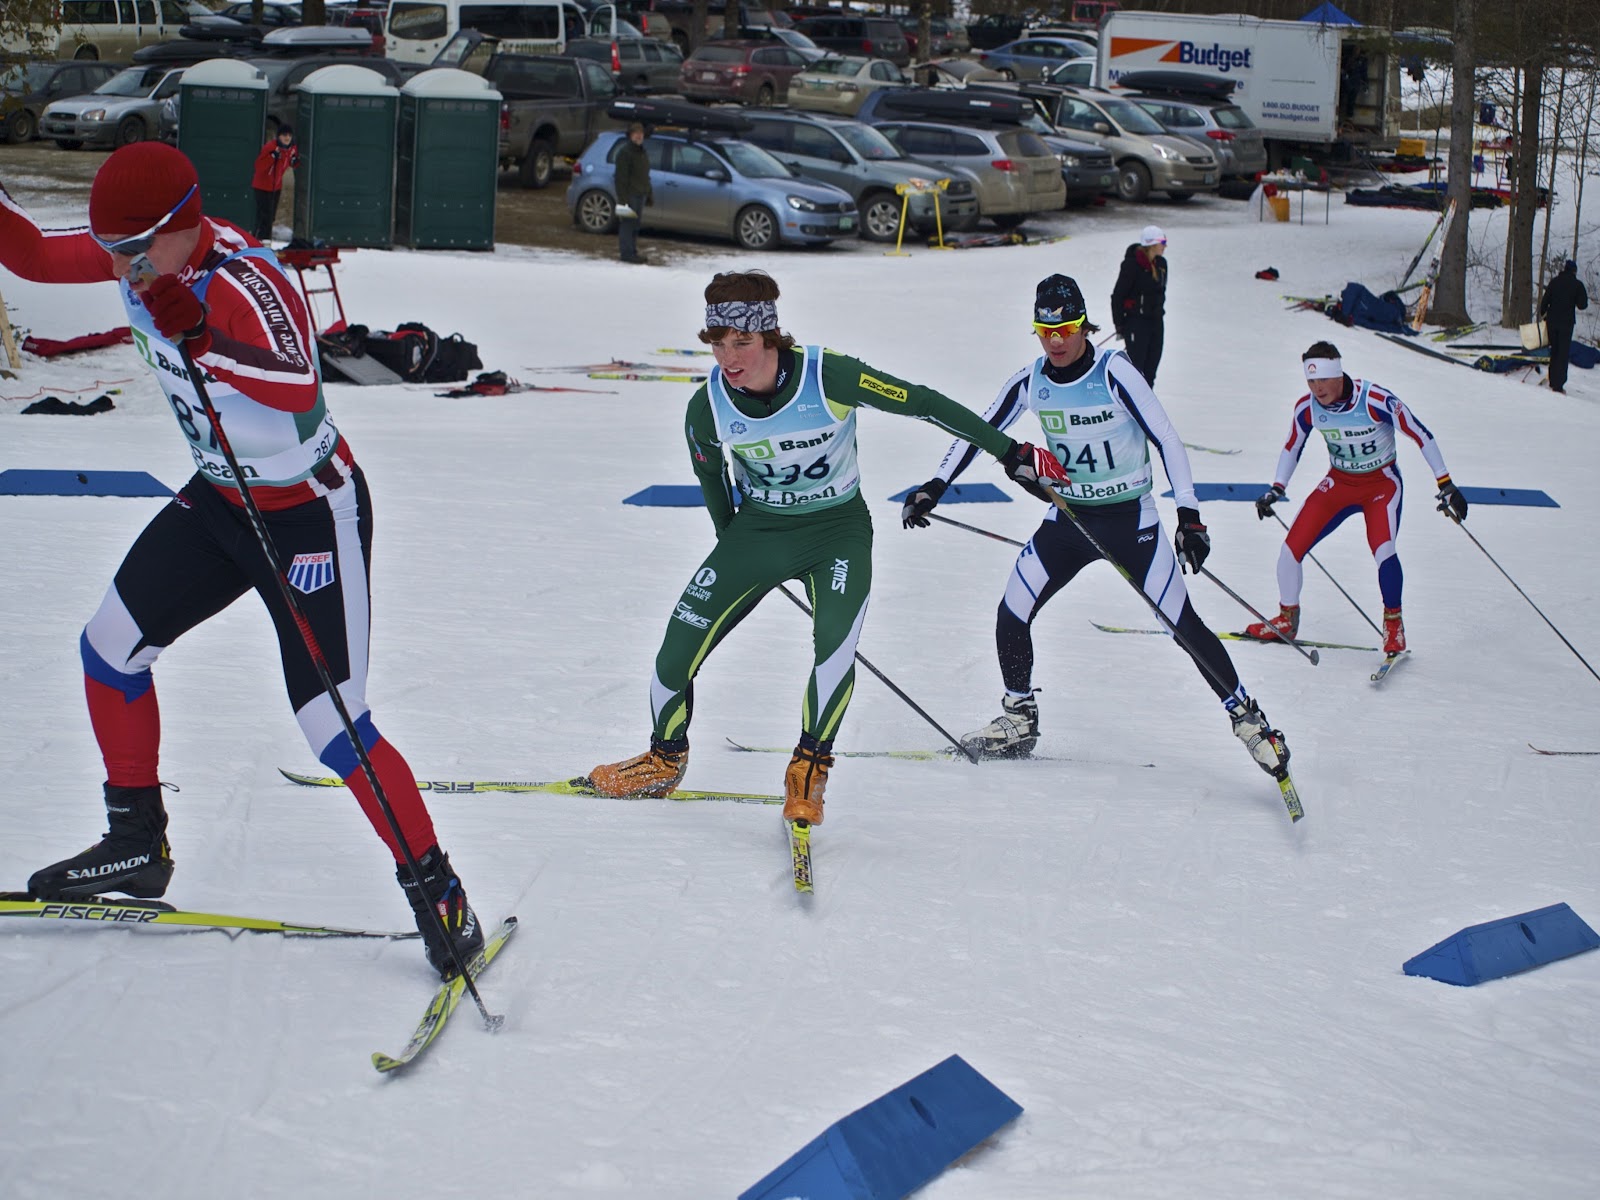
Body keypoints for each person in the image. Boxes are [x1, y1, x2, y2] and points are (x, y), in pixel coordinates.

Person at [0, 143, 482, 979]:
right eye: (110, 249)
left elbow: (298, 380)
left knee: (333, 722)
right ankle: (136, 840)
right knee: (110, 648)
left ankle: (440, 893)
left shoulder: (246, 278)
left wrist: (200, 335)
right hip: (223, 500)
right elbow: (36, 256)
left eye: (130, 250)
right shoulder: (140, 256)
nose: (116, 267)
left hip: (309, 514)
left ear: (178, 228)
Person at [583, 270, 1069, 825]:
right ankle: (663, 760)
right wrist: (733, 547)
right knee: (674, 653)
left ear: (770, 336)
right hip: (758, 532)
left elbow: (921, 402)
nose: (728, 358)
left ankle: (808, 771)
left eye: (741, 342)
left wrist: (1009, 451)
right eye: (717, 343)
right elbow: (711, 479)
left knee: (833, 650)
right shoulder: (707, 406)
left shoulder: (826, 375)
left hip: (837, 531)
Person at [901, 274, 1292, 780]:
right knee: (1011, 612)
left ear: (1084, 326)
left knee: (1183, 626)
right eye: (1046, 332)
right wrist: (936, 484)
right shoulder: (1031, 381)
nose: (1056, 342)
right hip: (1070, 519)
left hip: (1132, 520)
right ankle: (1019, 716)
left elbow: (1168, 440)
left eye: (1065, 329)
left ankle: (1249, 721)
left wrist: (1189, 515)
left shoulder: (1114, 372)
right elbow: (979, 429)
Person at [1248, 341, 1467, 656]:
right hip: (1339, 483)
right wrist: (1277, 488)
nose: (1317, 388)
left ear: (1338, 375)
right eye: (1311, 380)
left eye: (1323, 379)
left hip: (1381, 485)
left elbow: (1420, 433)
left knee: (1384, 550)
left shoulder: (1375, 400)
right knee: (1289, 551)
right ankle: (1287, 619)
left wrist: (1445, 482)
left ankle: (1394, 626)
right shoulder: (1307, 408)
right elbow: (1292, 445)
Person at [1111, 224, 1167, 386]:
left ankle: (1147, 401)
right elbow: (1118, 296)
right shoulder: (1132, 265)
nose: (1165, 246)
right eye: (1162, 242)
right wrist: (1120, 325)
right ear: (1152, 244)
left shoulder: (1161, 264)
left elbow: (1160, 293)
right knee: (1136, 371)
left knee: (1151, 371)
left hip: (1156, 323)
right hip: (1137, 324)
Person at [1537, 259, 1589, 394]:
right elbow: (1582, 305)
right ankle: (1558, 385)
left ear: (1564, 269)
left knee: (1554, 350)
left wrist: (1544, 314)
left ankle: (1552, 379)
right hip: (1566, 323)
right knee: (1563, 353)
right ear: (1574, 271)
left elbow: (1544, 302)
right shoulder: (1577, 285)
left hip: (1552, 321)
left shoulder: (1554, 282)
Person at [250, 123, 298, 244]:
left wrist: (294, 161)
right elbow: (259, 166)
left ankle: (263, 241)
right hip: (262, 186)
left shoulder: (291, 149)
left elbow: (292, 162)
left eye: (289, 135)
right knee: (264, 217)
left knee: (271, 217)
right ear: (279, 136)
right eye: (284, 135)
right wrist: (271, 157)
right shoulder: (271, 147)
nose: (287, 138)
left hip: (276, 186)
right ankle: (259, 241)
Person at [614, 121, 652, 264]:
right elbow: (620, 179)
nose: (638, 136)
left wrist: (649, 193)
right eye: (635, 133)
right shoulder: (625, 153)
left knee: (635, 225)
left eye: (640, 133)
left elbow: (645, 175)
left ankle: (632, 251)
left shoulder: (642, 152)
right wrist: (623, 200)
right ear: (630, 135)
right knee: (627, 224)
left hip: (640, 194)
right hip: (629, 195)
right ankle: (626, 253)